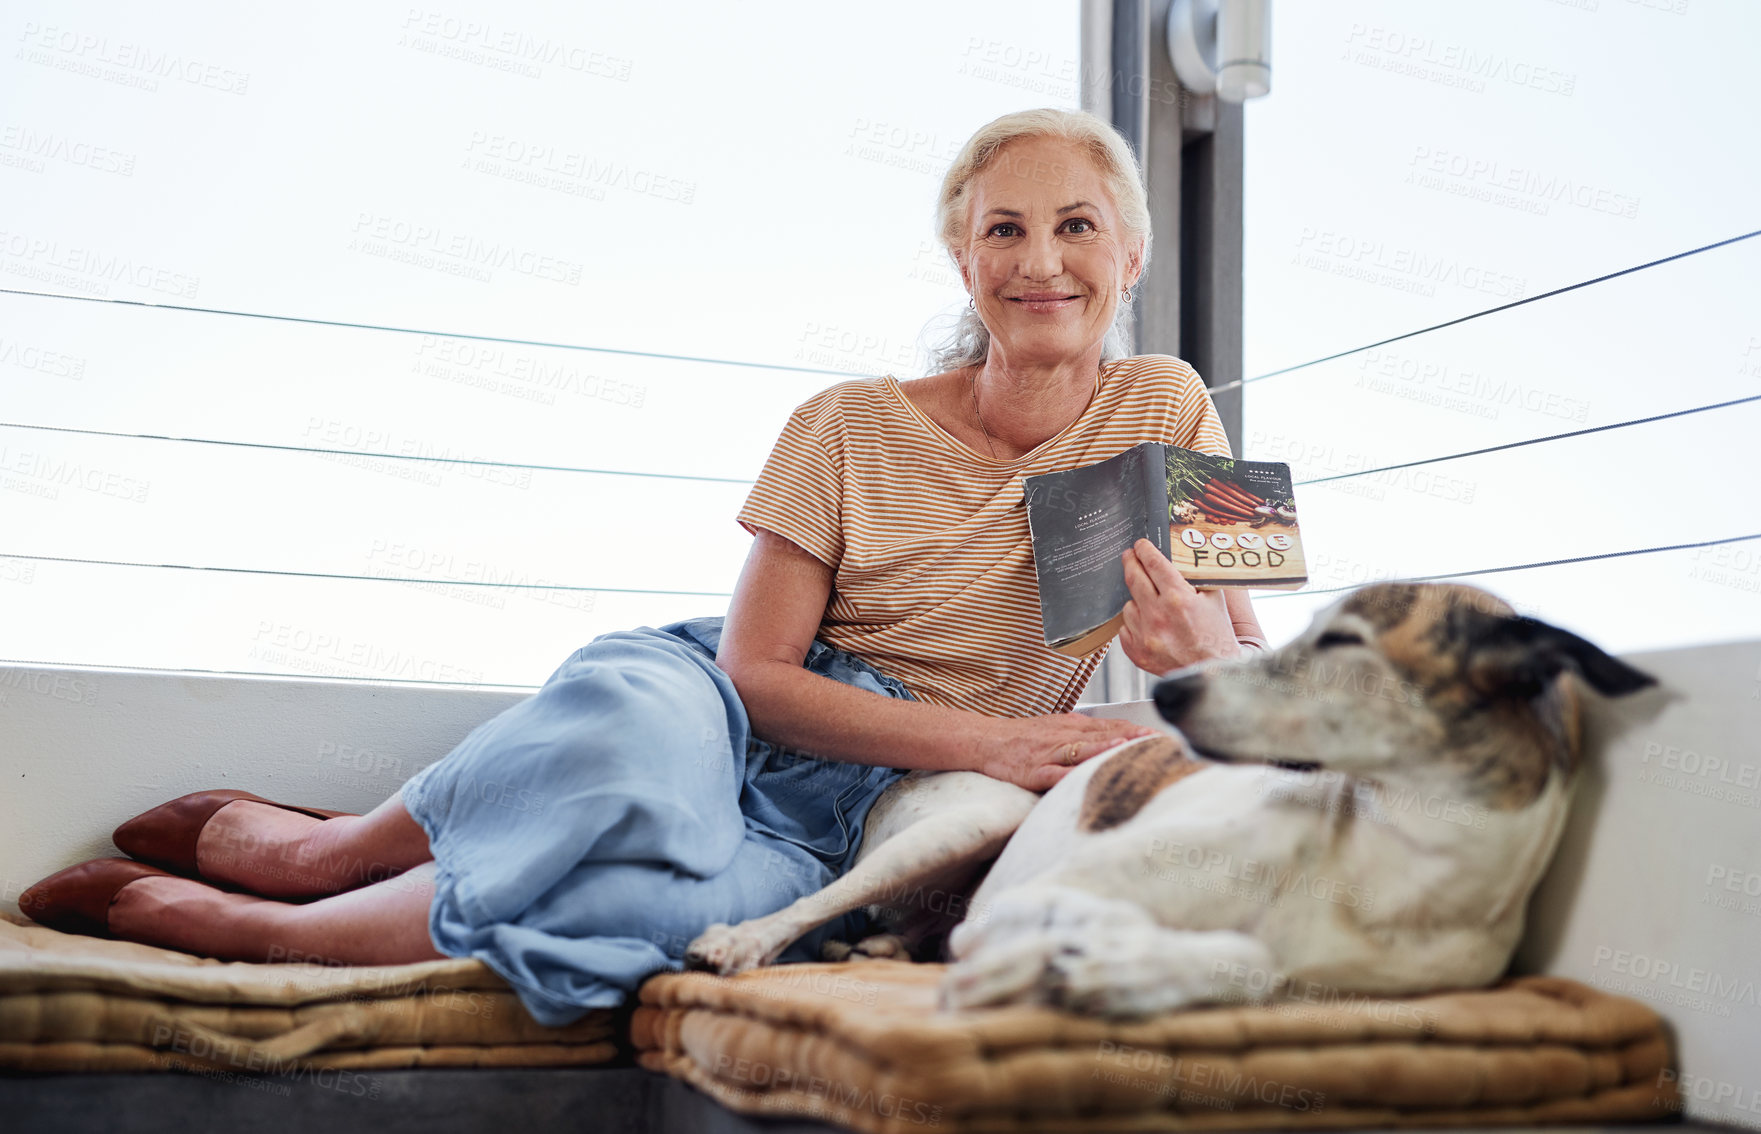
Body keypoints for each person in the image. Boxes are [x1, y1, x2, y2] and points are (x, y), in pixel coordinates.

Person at [20, 107, 1267, 1026]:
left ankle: (272, 935)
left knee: (644, 915)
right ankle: (323, 857)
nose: (1042, 260)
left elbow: (1256, 664)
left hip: (852, 808)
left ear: (1131, 258)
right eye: (1007, 229)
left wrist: (1191, 660)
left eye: (1076, 227)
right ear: (964, 262)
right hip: (730, 704)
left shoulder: (1169, 402)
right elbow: (755, 671)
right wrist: (996, 746)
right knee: (626, 742)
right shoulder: (844, 420)